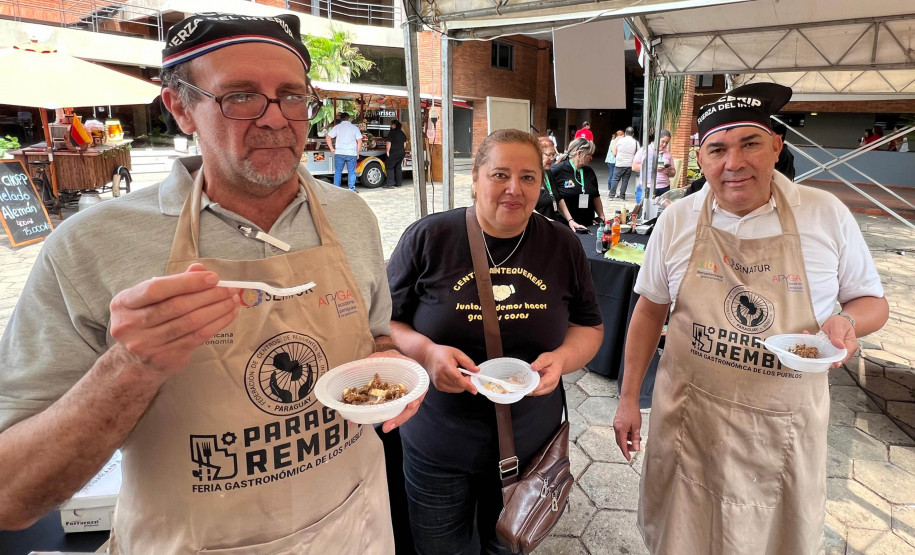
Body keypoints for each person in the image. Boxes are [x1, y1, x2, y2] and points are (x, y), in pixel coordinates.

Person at [0, 13, 423, 553]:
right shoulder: (90, 246)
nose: (276, 120)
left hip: (356, 531)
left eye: (292, 95)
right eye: (240, 96)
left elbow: (375, 336)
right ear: (179, 107)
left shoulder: (352, 216)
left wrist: (394, 368)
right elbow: (13, 497)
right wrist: (130, 366)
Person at [612, 82, 888, 554]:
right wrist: (627, 398)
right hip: (689, 422)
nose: (733, 163)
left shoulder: (824, 214)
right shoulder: (678, 219)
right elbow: (648, 310)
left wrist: (848, 323)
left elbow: (872, 303)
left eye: (750, 144)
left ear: (776, 147)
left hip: (780, 430)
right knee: (681, 537)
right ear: (701, 158)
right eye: (717, 149)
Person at [385, 128, 604, 554]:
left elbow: (590, 326)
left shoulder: (561, 244)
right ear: (475, 178)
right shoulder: (430, 238)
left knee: (506, 549)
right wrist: (427, 353)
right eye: (499, 174)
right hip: (437, 442)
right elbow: (385, 326)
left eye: (527, 177)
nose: (513, 189)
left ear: (542, 184)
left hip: (530, 447)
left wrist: (562, 358)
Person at [550, 137, 606, 230]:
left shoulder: (589, 171)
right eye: (589, 155)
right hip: (566, 225)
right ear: (579, 153)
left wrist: (601, 215)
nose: (591, 158)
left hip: (587, 224)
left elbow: (595, 195)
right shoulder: (557, 171)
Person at [632, 129, 675, 198]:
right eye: (662, 141)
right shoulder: (644, 150)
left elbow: (673, 172)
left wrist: (669, 172)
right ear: (656, 139)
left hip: (664, 188)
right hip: (647, 187)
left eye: (667, 143)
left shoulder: (668, 154)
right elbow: (634, 167)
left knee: (661, 209)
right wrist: (652, 167)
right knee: (645, 208)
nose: (664, 144)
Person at [326, 111, 363, 191]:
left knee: (338, 171)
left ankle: (336, 189)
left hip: (339, 153)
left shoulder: (337, 127)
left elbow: (328, 137)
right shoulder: (354, 128)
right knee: (351, 172)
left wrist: (332, 149)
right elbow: (359, 141)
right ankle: (351, 189)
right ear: (349, 118)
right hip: (351, 153)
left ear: (340, 118)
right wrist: (357, 152)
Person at [609, 126, 639, 200]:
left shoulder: (620, 141)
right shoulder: (636, 142)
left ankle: (611, 196)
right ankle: (622, 197)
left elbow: (614, 152)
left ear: (625, 133)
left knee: (615, 180)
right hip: (629, 164)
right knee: (625, 181)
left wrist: (616, 140)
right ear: (633, 134)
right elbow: (638, 154)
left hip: (619, 163)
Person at [536, 135, 559, 219]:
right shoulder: (527, 177)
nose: (552, 158)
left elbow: (559, 198)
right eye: (549, 154)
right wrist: (548, 223)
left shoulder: (548, 172)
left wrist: (570, 220)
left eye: (554, 154)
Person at [384, 119, 407, 189]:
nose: (390, 126)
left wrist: (387, 151)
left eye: (391, 124)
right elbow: (405, 144)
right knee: (398, 167)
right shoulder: (402, 133)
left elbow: (388, 142)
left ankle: (390, 184)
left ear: (394, 125)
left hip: (393, 152)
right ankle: (398, 183)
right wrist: (402, 150)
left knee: (390, 167)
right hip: (401, 152)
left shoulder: (392, 133)